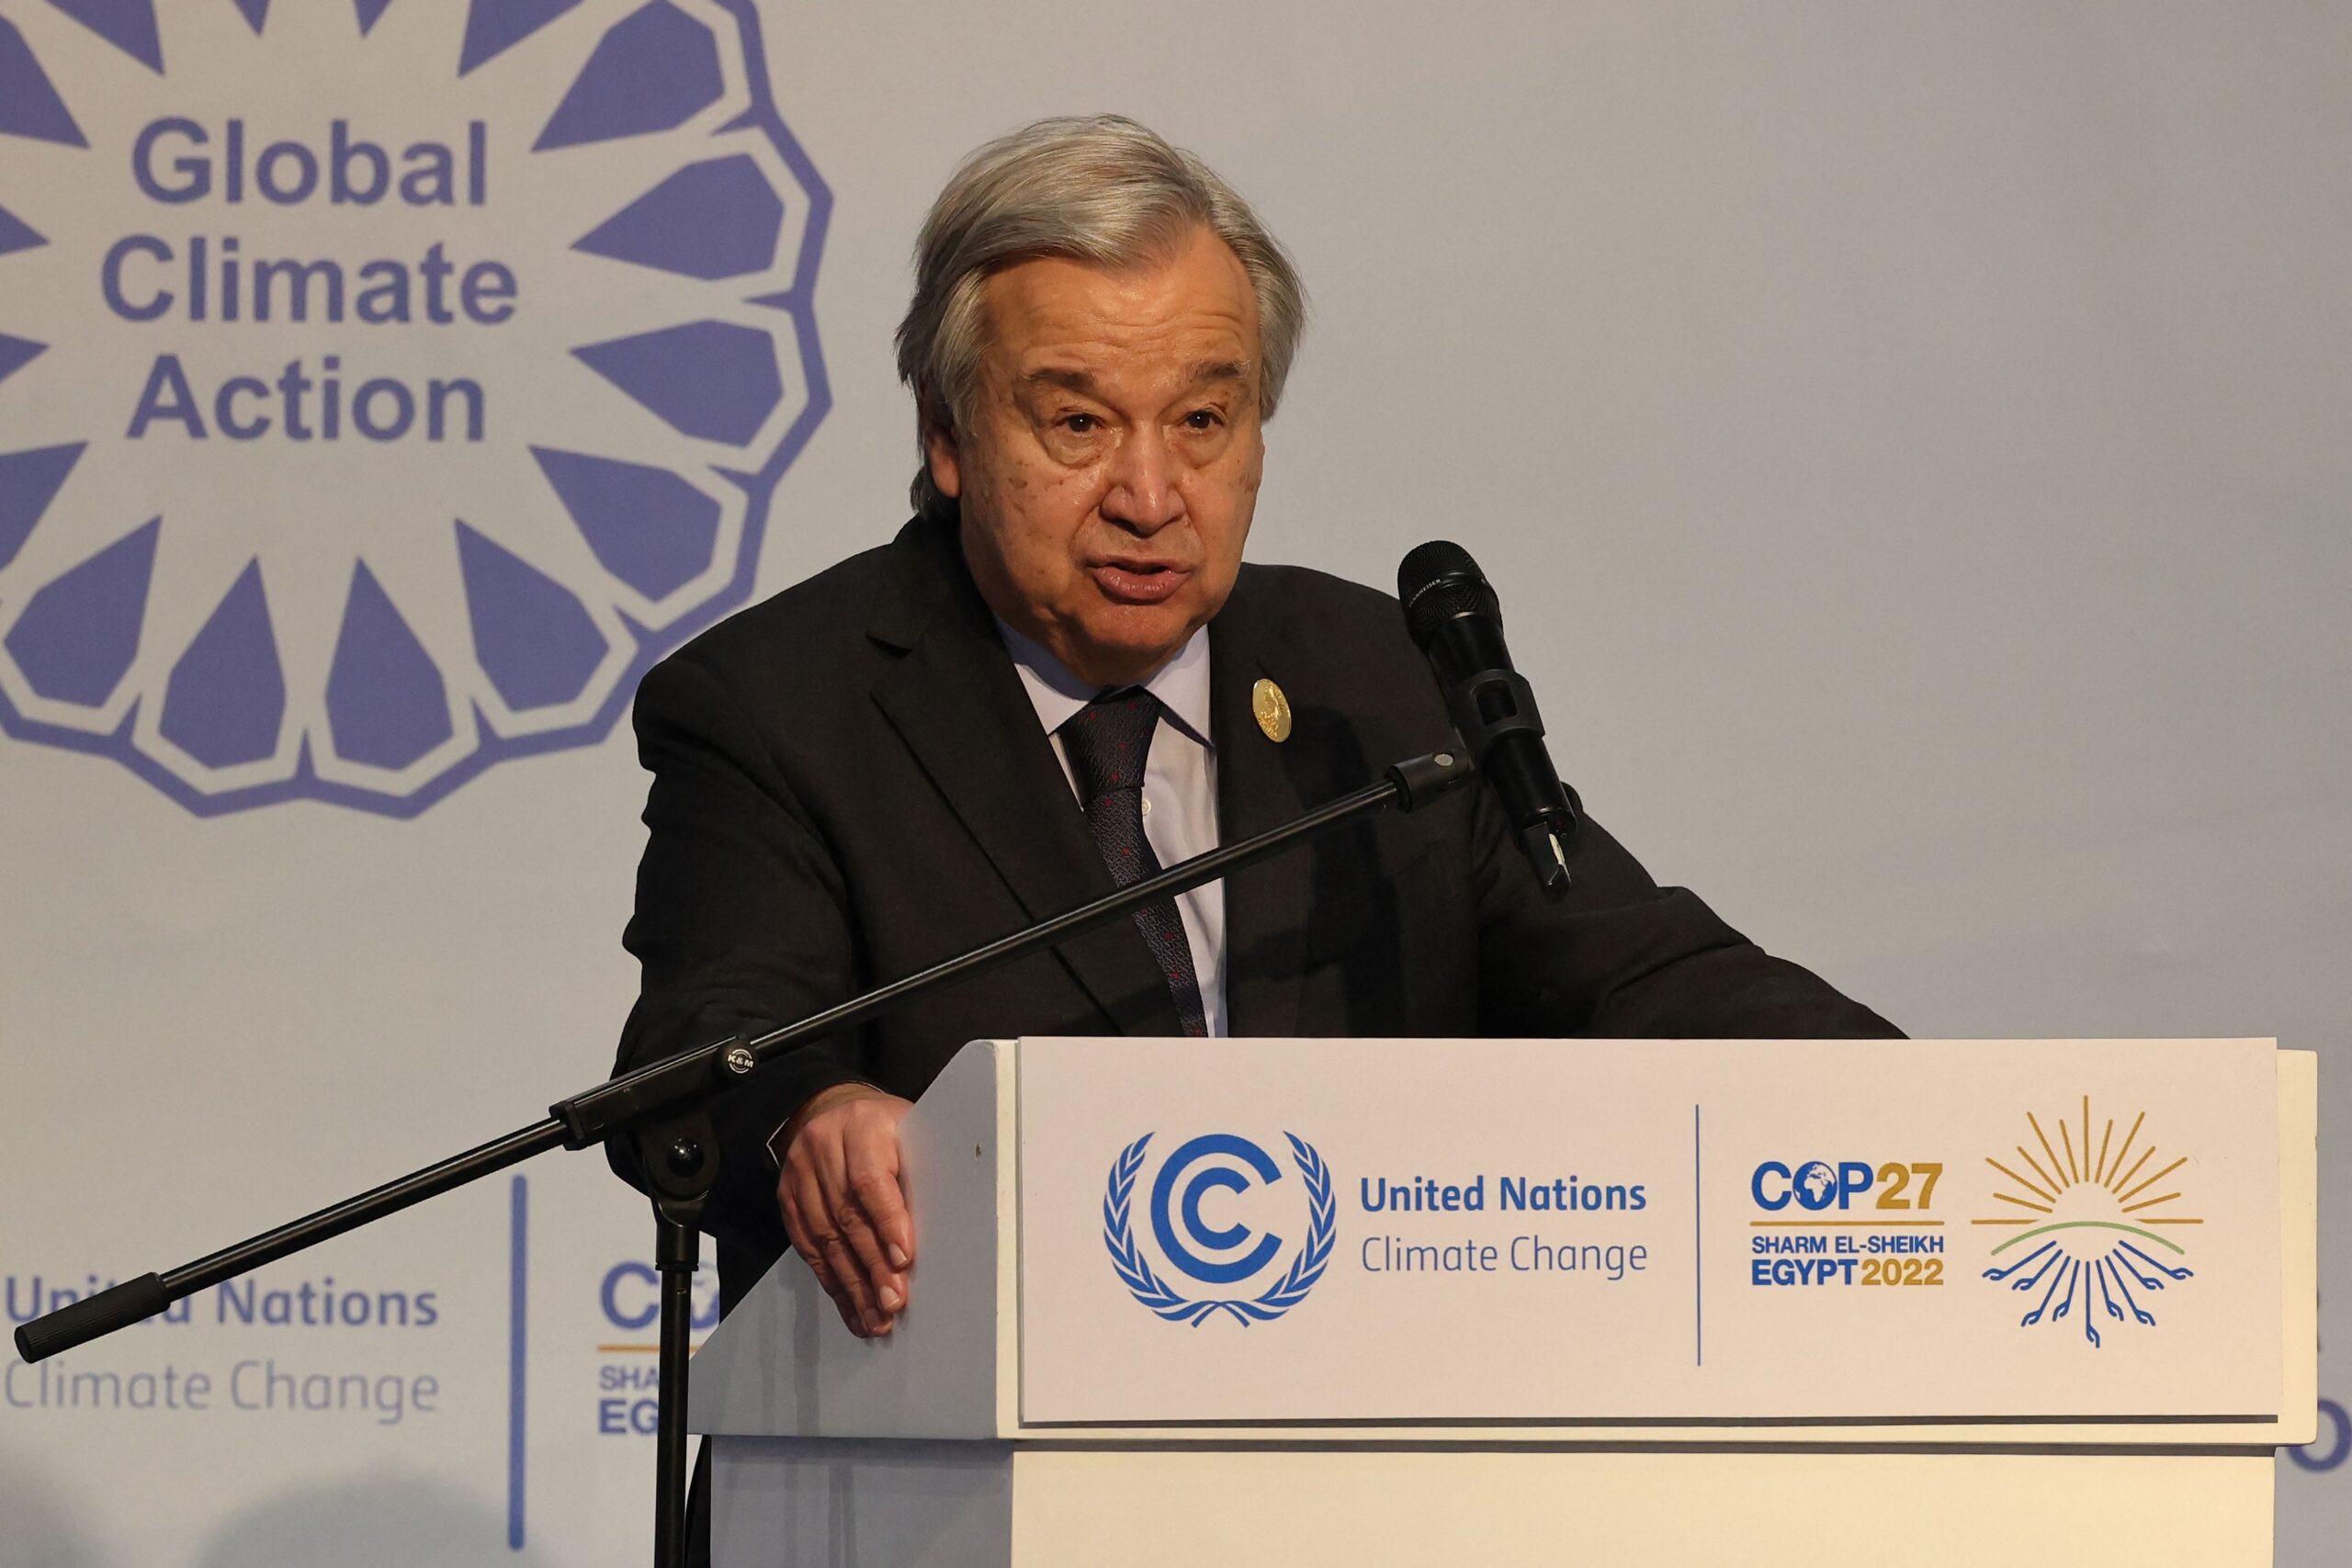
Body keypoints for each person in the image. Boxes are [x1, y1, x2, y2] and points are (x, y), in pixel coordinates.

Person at [607, 115, 1899, 1348]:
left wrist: (1926, 1112)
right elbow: (707, 1041)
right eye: (1078, 423)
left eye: (1203, 421)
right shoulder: (781, 703)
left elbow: (1638, 975)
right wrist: (810, 1116)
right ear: (946, 435)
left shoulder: (1373, 682)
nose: (1152, 495)